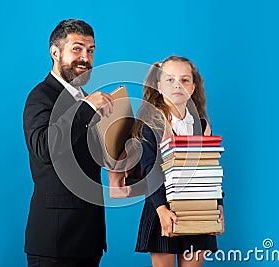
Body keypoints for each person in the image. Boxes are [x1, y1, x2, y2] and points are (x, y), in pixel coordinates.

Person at [23, 19, 113, 267]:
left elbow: (87, 159)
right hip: (55, 242)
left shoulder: (87, 100)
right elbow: (43, 147)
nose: (85, 57)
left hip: (88, 240)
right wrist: (85, 109)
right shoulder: (40, 96)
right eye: (77, 48)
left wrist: (119, 159)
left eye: (91, 50)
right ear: (55, 52)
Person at [133, 56, 225, 267]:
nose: (177, 85)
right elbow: (150, 169)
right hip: (162, 208)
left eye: (184, 80)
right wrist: (162, 210)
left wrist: (218, 206)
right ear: (159, 86)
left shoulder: (202, 126)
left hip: (199, 207)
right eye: (170, 80)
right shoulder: (152, 122)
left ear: (193, 88)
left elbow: (210, 169)